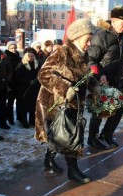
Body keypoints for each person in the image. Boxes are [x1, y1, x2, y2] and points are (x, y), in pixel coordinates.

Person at [35, 18, 95, 183]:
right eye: (87, 40)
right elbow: (43, 74)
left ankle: (49, 159)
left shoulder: (84, 55)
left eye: (91, 39)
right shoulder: (63, 51)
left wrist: (97, 88)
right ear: (76, 37)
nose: (89, 43)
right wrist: (64, 88)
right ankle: (73, 171)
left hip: (73, 103)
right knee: (67, 135)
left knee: (62, 134)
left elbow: (85, 78)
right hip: (55, 103)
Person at [86, 6, 123, 149]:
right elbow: (90, 59)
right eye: (122, 23)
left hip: (116, 80)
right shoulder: (101, 36)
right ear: (113, 21)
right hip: (101, 81)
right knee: (100, 111)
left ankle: (107, 134)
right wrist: (99, 74)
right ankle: (92, 138)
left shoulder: (122, 38)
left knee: (120, 108)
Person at [14, 47, 40, 128]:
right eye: (29, 56)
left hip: (34, 89)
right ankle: (24, 121)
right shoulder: (21, 64)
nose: (30, 58)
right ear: (25, 56)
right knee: (24, 106)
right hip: (24, 89)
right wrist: (28, 81)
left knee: (33, 105)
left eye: (32, 56)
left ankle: (32, 121)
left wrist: (37, 80)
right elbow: (18, 77)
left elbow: (40, 74)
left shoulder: (37, 64)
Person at [5, 41, 22, 125]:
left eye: (15, 48)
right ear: (8, 49)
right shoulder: (5, 58)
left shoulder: (19, 58)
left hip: (18, 83)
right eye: (11, 48)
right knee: (10, 103)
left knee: (19, 102)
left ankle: (19, 118)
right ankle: (10, 119)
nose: (14, 50)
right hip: (10, 83)